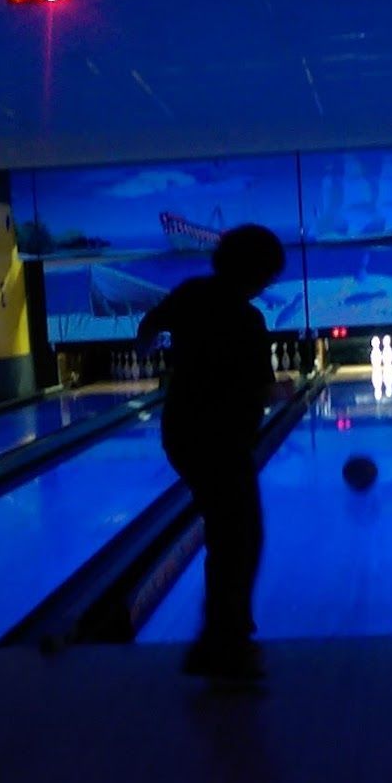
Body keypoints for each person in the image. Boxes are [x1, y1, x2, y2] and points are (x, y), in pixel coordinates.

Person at [136, 223, 286, 680]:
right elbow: (261, 390)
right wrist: (283, 390)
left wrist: (149, 351)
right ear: (257, 274)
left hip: (182, 434)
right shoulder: (248, 320)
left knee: (229, 537)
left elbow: (148, 326)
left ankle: (222, 639)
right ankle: (223, 644)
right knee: (240, 540)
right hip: (222, 441)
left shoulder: (191, 293)